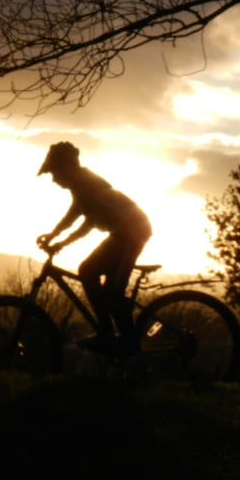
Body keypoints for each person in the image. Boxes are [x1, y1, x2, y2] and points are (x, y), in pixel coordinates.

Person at [36, 141, 152, 356]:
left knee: (105, 285)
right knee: (93, 275)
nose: (53, 179)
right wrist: (54, 235)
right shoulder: (81, 184)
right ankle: (112, 337)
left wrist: (62, 242)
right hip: (124, 234)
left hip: (131, 234)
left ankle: (122, 342)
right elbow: (74, 213)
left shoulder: (86, 184)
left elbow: (88, 223)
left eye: (54, 172)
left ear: (66, 167)